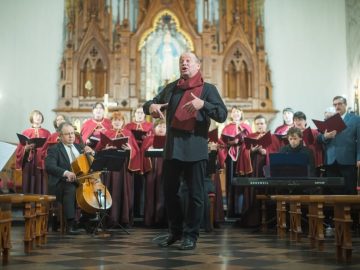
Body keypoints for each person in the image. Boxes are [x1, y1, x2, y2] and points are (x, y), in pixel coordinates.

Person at [143, 52, 227, 250]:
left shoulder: (208, 89)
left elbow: (222, 114)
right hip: (173, 148)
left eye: (188, 61)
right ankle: (175, 232)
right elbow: (148, 105)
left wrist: (203, 104)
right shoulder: (172, 88)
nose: (184, 63)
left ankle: (191, 235)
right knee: (170, 192)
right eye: (181, 61)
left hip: (195, 148)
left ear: (198, 66)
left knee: (196, 194)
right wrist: (152, 106)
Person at [45, 122, 95, 234]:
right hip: (61, 183)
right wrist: (66, 173)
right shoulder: (54, 149)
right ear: (60, 136)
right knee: (70, 188)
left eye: (72, 133)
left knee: (90, 189)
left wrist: (92, 153)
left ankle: (85, 220)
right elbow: (50, 166)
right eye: (67, 134)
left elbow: (91, 165)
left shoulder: (80, 147)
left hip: (80, 181)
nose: (71, 136)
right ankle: (70, 224)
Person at [95, 111, 140, 226]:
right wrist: (106, 148)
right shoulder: (106, 133)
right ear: (112, 122)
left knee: (123, 191)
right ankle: (108, 219)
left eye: (119, 120)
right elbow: (97, 151)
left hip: (124, 167)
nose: (117, 122)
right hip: (109, 167)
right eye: (115, 120)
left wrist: (130, 149)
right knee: (109, 190)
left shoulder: (128, 133)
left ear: (123, 122)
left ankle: (123, 219)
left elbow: (136, 151)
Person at [318, 96, 360, 194]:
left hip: (348, 159)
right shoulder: (329, 119)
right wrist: (325, 137)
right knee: (332, 191)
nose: (337, 106)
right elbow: (319, 138)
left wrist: (359, 157)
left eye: (339, 104)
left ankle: (351, 210)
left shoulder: (355, 119)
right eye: (335, 104)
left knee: (349, 190)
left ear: (345, 105)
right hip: (331, 160)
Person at [15, 110, 51, 194]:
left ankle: (41, 204)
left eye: (40, 116)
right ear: (32, 118)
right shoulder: (26, 132)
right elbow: (19, 150)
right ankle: (28, 203)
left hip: (42, 162)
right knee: (28, 181)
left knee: (41, 183)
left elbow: (50, 148)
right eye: (36, 116)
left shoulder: (47, 132)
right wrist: (26, 148)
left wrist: (43, 151)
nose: (38, 117)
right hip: (29, 163)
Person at [293, 111, 324, 176]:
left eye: (300, 119)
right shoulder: (291, 135)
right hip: (297, 164)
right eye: (295, 120)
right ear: (293, 122)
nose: (298, 122)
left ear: (305, 122)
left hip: (312, 163)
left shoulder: (314, 132)